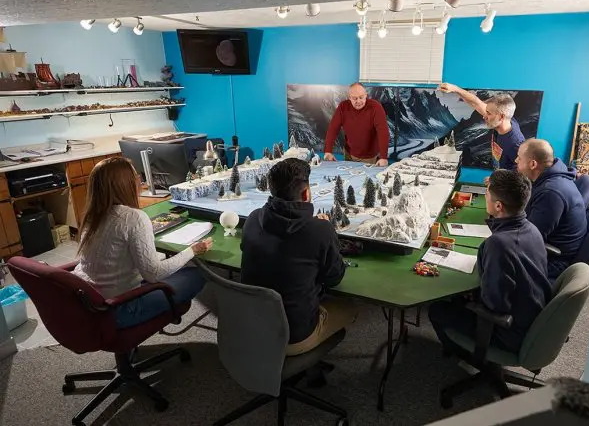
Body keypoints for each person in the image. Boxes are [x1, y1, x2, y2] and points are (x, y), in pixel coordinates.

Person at [73, 157, 212, 328]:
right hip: (120, 307)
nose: (140, 180)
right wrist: (193, 250)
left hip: (90, 303)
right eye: (135, 176)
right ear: (125, 184)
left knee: (169, 267)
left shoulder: (91, 215)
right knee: (199, 273)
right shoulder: (133, 217)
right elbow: (153, 274)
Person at [240, 158, 357, 356]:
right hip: (293, 337)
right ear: (306, 193)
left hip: (251, 327)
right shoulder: (320, 230)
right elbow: (334, 278)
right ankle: (306, 356)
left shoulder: (253, 218)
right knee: (349, 307)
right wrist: (326, 233)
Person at [429, 170, 550, 355]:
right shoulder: (531, 228)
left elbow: (494, 304)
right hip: (531, 314)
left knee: (437, 309)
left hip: (508, 329)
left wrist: (472, 298)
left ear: (498, 206)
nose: (485, 197)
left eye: (487, 194)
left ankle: (461, 353)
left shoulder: (498, 244)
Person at [516, 138, 587, 279]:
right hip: (552, 249)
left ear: (533, 164)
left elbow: (530, 239)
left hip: (553, 261)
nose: (515, 160)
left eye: (519, 158)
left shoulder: (550, 193)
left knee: (495, 256)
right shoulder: (555, 176)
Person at [438, 83, 525, 171]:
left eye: (488, 113)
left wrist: (499, 179)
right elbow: (476, 103)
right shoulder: (503, 120)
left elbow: (522, 175)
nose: (484, 116)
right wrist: (455, 89)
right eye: (486, 112)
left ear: (501, 116)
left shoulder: (515, 143)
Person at [323, 82, 390, 167]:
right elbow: (333, 128)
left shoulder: (375, 107)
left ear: (366, 95)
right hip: (349, 154)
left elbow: (383, 132)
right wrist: (328, 151)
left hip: (370, 157)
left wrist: (383, 157)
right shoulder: (343, 107)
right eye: (354, 98)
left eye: (361, 97)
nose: (358, 101)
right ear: (349, 97)